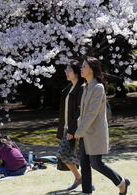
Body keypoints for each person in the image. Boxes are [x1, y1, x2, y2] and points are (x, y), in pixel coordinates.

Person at [74, 56, 130, 195]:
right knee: (84, 164)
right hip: (84, 132)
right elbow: (83, 112)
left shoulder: (97, 88)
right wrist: (76, 128)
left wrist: (80, 130)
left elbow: (92, 113)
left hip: (94, 132)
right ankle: (86, 192)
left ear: (92, 69)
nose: (81, 69)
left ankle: (121, 182)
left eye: (84, 66)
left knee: (96, 163)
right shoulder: (86, 86)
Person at [56, 59, 84, 190]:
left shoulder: (81, 88)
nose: (66, 72)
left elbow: (79, 111)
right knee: (64, 155)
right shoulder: (69, 88)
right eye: (66, 70)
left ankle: (82, 179)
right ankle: (80, 178)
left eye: (70, 70)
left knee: (79, 157)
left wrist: (72, 130)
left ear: (77, 73)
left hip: (77, 128)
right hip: (69, 127)